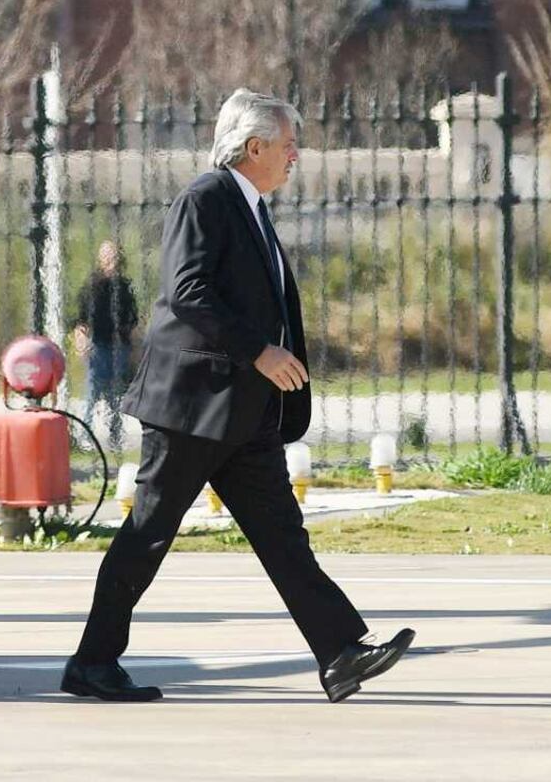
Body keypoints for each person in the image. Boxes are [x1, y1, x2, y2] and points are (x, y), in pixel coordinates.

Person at [63, 89, 415, 703]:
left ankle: (339, 653)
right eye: (287, 145)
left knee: (283, 535)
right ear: (255, 147)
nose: (295, 156)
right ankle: (93, 663)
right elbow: (187, 291)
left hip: (241, 413)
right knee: (148, 533)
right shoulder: (207, 198)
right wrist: (260, 351)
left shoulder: (251, 208)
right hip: (194, 408)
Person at [72, 240, 139, 450]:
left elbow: (132, 319)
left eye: (114, 256)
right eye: (107, 255)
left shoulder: (124, 287)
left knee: (115, 393)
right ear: (101, 259)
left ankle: (115, 435)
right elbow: (81, 318)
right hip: (98, 344)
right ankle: (84, 435)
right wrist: (81, 340)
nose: (112, 260)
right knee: (93, 390)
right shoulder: (93, 285)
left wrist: (135, 346)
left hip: (120, 345)